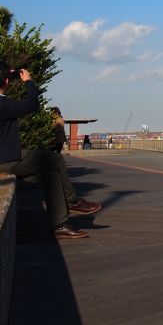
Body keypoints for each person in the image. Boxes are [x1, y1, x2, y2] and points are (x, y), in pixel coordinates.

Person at [0, 64, 102, 239]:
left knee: (51, 176)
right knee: (55, 159)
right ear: (7, 81)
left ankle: (60, 224)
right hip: (6, 160)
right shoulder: (3, 103)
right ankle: (73, 201)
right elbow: (32, 104)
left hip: (6, 159)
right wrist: (29, 82)